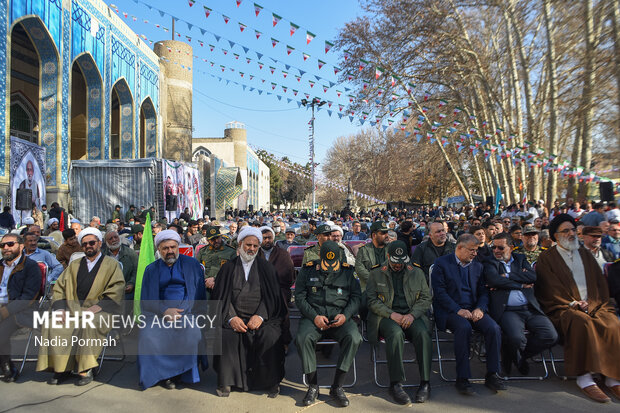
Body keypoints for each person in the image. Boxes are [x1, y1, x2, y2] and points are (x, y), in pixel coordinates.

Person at [535, 214, 620, 403]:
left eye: (573, 230)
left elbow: (599, 283)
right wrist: (574, 303)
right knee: (583, 323)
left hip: (594, 304)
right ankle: (585, 377)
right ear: (555, 235)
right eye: (566, 231)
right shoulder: (546, 258)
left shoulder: (585, 254)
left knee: (612, 323)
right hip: (563, 307)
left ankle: (612, 376)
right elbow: (549, 288)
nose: (572, 234)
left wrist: (594, 302)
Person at [36, 227, 125, 386]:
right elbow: (59, 288)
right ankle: (61, 368)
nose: (88, 246)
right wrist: (60, 308)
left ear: (99, 243)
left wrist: (95, 309)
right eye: (84, 244)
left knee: (88, 323)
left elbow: (117, 289)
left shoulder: (112, 264)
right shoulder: (74, 265)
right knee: (53, 323)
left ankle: (86, 368)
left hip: (101, 310)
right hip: (73, 309)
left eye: (92, 243)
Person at [212, 227, 286, 398]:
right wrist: (231, 318)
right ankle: (227, 382)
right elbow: (221, 298)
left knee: (270, 335)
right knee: (226, 336)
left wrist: (260, 316)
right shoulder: (227, 268)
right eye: (248, 245)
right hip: (233, 317)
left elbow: (272, 299)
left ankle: (270, 381)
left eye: (255, 246)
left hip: (262, 318)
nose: (251, 249)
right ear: (240, 245)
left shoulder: (267, 268)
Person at [431, 234, 506, 395]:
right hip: (450, 310)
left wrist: (480, 308)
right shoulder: (442, 264)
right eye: (472, 250)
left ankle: (492, 374)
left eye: (476, 250)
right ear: (459, 248)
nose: (475, 253)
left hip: (473, 309)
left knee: (493, 328)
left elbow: (483, 292)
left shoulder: (477, 266)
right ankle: (463, 378)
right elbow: (440, 293)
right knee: (463, 328)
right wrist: (458, 310)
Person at [138, 230, 207, 390]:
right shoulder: (151, 269)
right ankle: (164, 374)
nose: (169, 251)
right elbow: (146, 298)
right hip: (157, 313)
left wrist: (183, 311)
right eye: (165, 248)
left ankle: (184, 374)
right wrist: (164, 311)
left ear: (178, 247)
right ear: (159, 250)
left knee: (191, 332)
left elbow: (199, 294)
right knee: (148, 335)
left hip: (187, 311)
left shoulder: (192, 265)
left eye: (172, 247)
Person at [295, 241, 362, 407]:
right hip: (314, 318)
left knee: (354, 338)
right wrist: (314, 316)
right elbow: (300, 297)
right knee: (303, 338)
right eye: (326, 265)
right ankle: (313, 385)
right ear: (320, 257)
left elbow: (356, 297)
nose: (330, 268)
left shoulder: (348, 271)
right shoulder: (308, 269)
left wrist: (346, 316)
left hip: (340, 318)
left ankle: (337, 386)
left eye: (333, 264)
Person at [366, 241, 432, 404]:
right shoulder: (376, 273)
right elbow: (371, 300)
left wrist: (412, 315)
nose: (398, 266)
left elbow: (425, 298)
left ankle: (425, 382)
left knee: (423, 334)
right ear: (388, 257)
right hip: (386, 317)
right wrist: (391, 314)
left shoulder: (416, 272)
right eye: (395, 262)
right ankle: (396, 383)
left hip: (411, 315)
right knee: (395, 334)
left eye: (402, 262)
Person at [484, 233, 557, 376]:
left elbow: (532, 276)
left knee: (550, 335)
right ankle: (516, 355)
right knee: (517, 338)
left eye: (501, 247)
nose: (496, 251)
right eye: (494, 247)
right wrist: (521, 285)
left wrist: (508, 276)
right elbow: (494, 281)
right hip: (508, 310)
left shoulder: (521, 259)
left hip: (530, 307)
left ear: (511, 247)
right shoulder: (489, 262)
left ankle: (518, 356)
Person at [0, 233, 41, 382]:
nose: (6, 248)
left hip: (20, 310)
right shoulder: (0, 265)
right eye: (3, 245)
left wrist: (5, 311)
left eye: (10, 244)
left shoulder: (30, 267)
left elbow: (28, 298)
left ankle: (6, 365)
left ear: (21, 246)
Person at [258, 226, 295, 345]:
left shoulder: (283, 254)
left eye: (269, 238)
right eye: (264, 238)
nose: (267, 241)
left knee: (282, 311)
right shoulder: (255, 254)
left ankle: (284, 342)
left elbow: (289, 275)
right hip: (258, 289)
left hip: (279, 289)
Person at [196, 226, 236, 293]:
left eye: (218, 238)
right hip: (205, 285)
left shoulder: (230, 252)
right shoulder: (202, 251)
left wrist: (214, 279)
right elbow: (197, 269)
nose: (216, 241)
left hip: (222, 286)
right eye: (213, 239)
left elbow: (233, 270)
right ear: (207, 240)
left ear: (221, 237)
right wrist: (207, 280)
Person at [102, 231, 138, 300]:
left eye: (116, 237)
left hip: (126, 290)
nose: (114, 240)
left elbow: (136, 271)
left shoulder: (130, 254)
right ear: (106, 242)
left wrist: (131, 284)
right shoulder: (102, 255)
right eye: (110, 239)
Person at [355, 221, 389, 293]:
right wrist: (375, 280)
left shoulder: (391, 249)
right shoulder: (364, 250)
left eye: (387, 233)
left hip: (389, 288)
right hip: (369, 288)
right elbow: (359, 269)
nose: (386, 236)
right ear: (374, 235)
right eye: (383, 233)